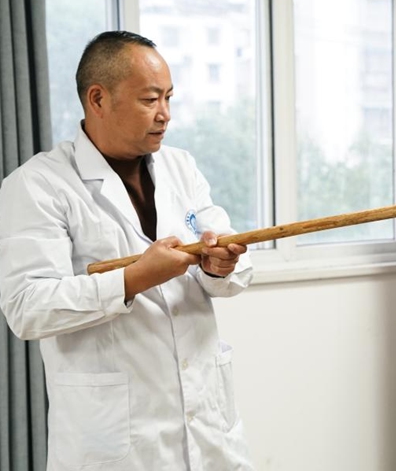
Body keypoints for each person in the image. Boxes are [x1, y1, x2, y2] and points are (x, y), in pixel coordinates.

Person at [0, 31, 254, 470]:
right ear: (98, 99)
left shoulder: (181, 167)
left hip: (209, 431)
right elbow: (28, 308)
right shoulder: (38, 185)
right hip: (116, 445)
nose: (165, 115)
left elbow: (231, 261)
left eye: (169, 98)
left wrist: (221, 265)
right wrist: (134, 278)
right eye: (150, 100)